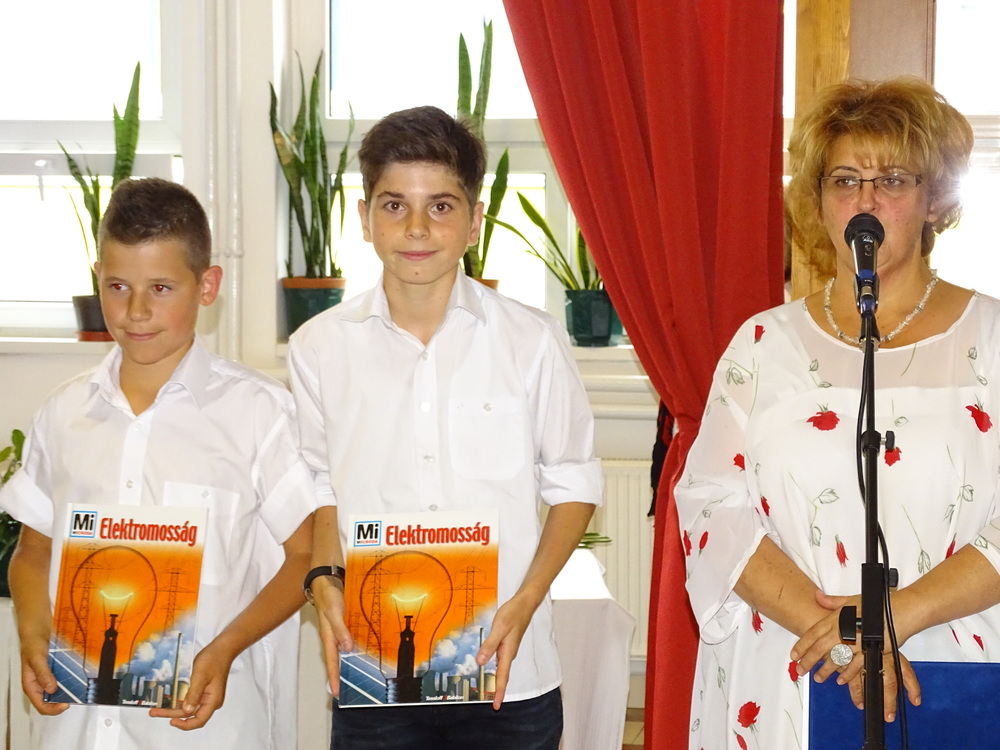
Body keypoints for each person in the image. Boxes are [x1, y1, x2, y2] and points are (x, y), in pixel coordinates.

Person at [675, 77, 1000, 749]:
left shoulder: (993, 338)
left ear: (935, 199)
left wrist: (895, 617)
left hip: (951, 664)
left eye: (893, 180)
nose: (866, 202)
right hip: (795, 662)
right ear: (820, 202)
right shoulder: (761, 345)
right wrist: (843, 636)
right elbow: (711, 506)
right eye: (845, 181)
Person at [286, 105, 604, 749]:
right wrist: (324, 581)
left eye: (440, 206)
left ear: (474, 221)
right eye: (394, 205)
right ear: (364, 218)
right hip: (375, 669)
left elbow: (574, 484)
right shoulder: (318, 346)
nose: (416, 228)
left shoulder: (532, 341)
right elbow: (320, 489)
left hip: (508, 670)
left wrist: (528, 599)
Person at [0, 177, 318, 750]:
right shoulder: (64, 412)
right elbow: (34, 549)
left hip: (204, 731)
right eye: (118, 286)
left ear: (207, 285)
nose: (137, 311)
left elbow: (307, 557)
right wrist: (31, 630)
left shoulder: (259, 412)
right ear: (98, 278)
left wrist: (226, 647)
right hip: (74, 725)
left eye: (162, 288)